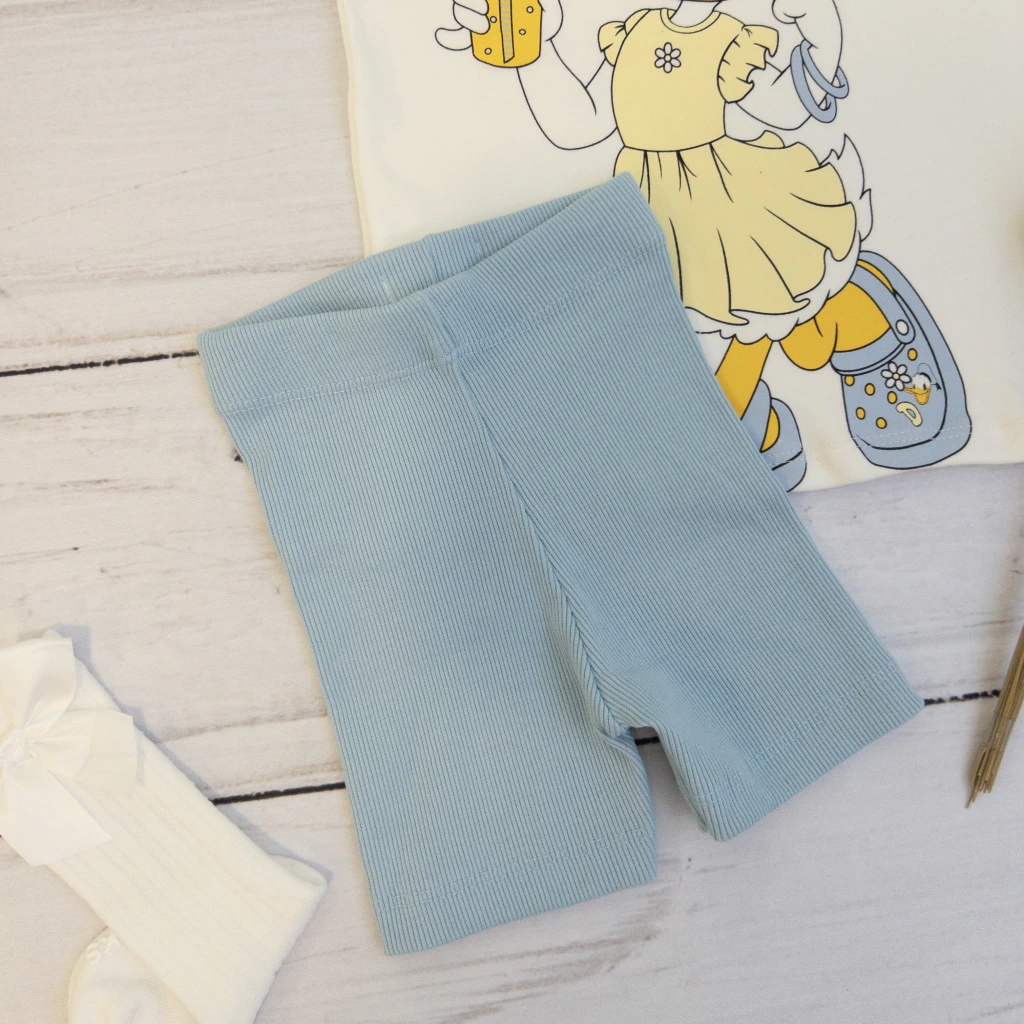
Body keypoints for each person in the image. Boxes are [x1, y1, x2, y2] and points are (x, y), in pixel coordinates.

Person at [437, 0, 970, 489]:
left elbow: (786, 110)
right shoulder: (632, 34)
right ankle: (832, 338)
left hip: (738, 198)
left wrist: (817, 39)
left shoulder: (729, 35)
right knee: (729, 320)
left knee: (769, 302)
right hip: (660, 208)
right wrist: (538, 55)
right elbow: (580, 127)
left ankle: (841, 332)